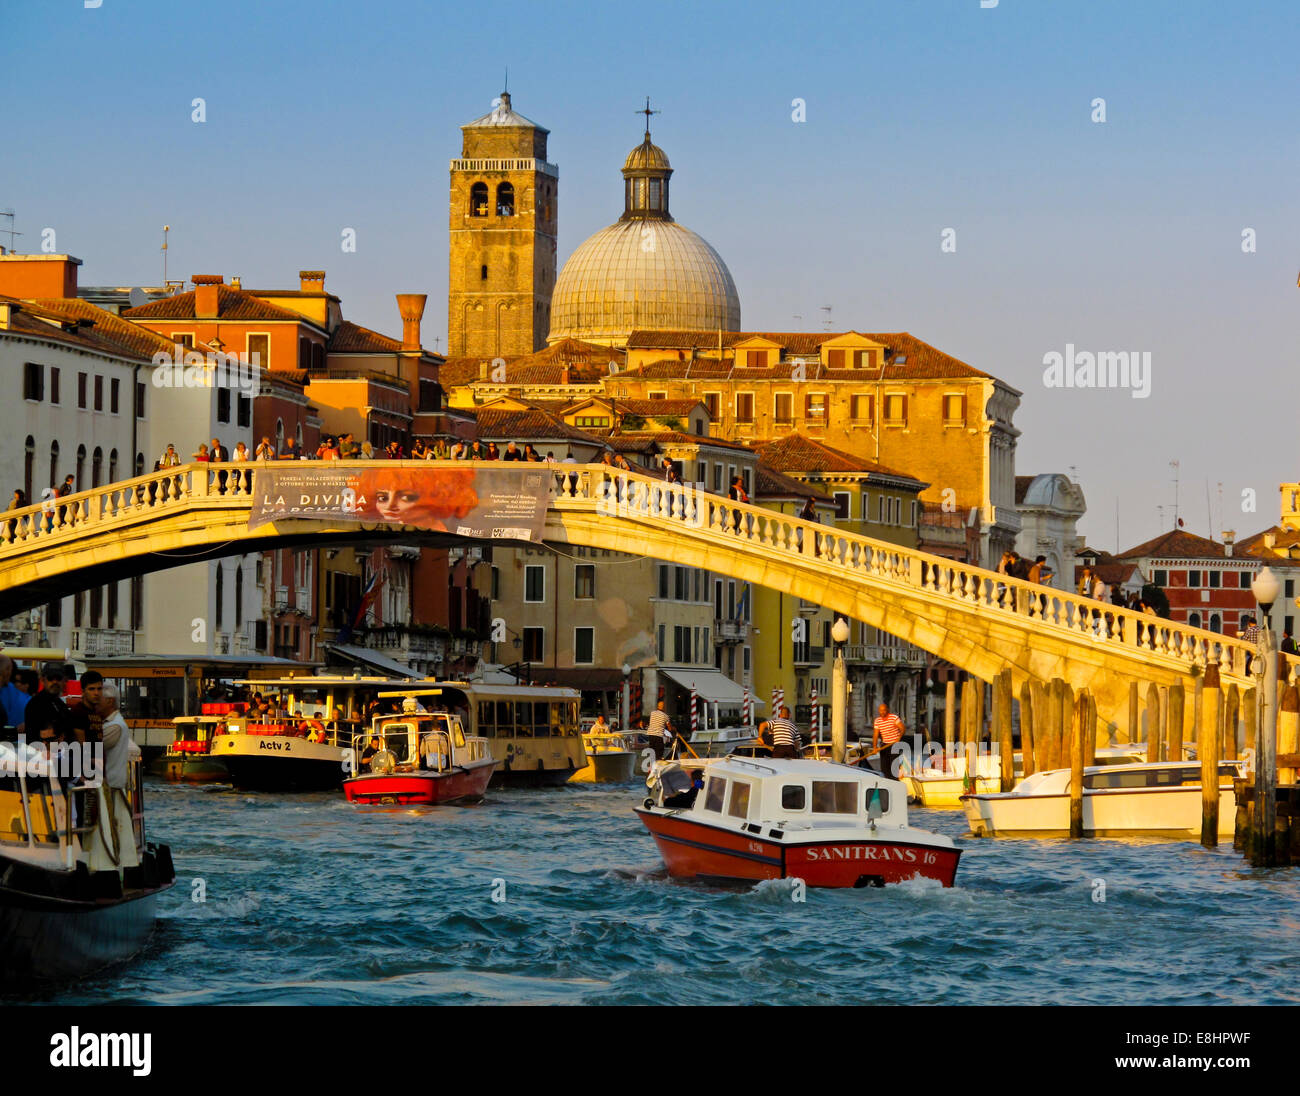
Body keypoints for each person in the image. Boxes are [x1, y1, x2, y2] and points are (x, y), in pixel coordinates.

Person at [99, 684, 139, 790]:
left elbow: (94, 748)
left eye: (99, 698)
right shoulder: (115, 723)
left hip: (111, 786)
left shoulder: (115, 726)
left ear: (109, 701)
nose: (96, 702)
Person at [21, 662, 72, 743]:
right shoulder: (35, 704)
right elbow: (32, 738)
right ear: (42, 680)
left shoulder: (61, 705)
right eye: (50, 678)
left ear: (64, 680)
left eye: (58, 678)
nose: (55, 682)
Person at [867, 702, 905, 779]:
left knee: (893, 767)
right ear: (879, 711)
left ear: (887, 710)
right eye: (880, 710)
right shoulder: (877, 721)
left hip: (895, 745)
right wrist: (874, 747)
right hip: (884, 745)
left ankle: (895, 780)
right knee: (884, 767)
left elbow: (902, 728)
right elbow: (875, 735)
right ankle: (887, 781)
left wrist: (899, 738)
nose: (882, 712)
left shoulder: (894, 718)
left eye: (884, 710)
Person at [67, 670, 105, 746]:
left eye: (99, 689)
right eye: (91, 689)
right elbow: (82, 745)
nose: (96, 693)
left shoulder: (98, 711)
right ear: (83, 691)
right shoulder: (78, 712)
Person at [0, 655, 28, 732]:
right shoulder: (14, 694)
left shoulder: (10, 691)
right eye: (10, 670)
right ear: (6, 670)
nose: (10, 673)